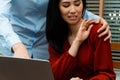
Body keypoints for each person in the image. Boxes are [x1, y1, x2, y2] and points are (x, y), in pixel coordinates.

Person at [0, 0, 110, 59]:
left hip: (44, 46)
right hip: (15, 43)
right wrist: (17, 45)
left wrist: (98, 20)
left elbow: (69, 4)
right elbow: (1, 16)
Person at [46, 0, 116, 80]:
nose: (73, 10)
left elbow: (108, 75)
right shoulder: (56, 35)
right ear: (56, 8)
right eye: (66, 5)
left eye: (77, 4)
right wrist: (77, 42)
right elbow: (54, 76)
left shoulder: (98, 31)